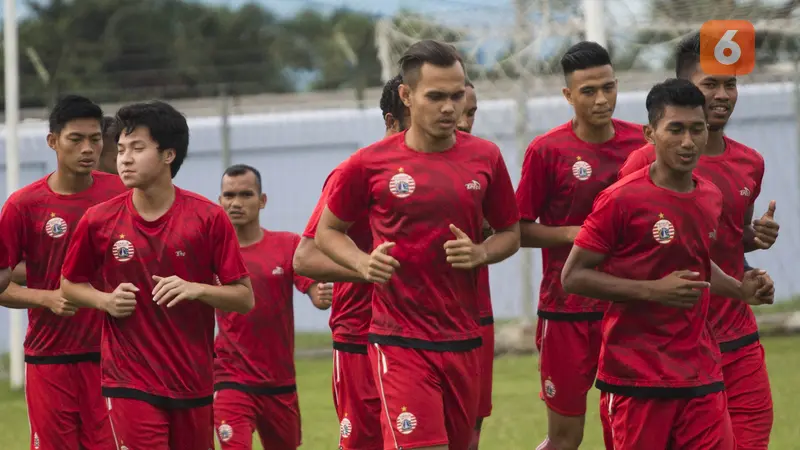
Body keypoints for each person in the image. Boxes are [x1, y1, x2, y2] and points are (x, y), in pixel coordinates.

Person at [315, 39, 521, 450]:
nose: (450, 107)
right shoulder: (367, 164)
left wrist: (482, 253)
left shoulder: (486, 157)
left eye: (457, 95)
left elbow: (511, 233)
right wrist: (361, 264)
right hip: (399, 341)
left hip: (464, 340)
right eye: (436, 96)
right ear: (407, 97)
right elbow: (326, 232)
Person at [561, 78, 774, 450]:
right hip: (636, 377)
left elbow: (699, 265)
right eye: (675, 129)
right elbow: (573, 276)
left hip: (699, 373)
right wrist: (652, 291)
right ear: (650, 133)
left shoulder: (708, 196)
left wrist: (742, 288)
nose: (688, 142)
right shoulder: (620, 199)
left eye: (697, 129)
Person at [60, 100, 254, 450]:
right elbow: (70, 284)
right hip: (128, 381)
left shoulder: (207, 218)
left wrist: (197, 289)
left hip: (192, 381)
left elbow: (243, 297)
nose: (125, 158)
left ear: (168, 155)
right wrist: (105, 301)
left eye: (137, 148)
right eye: (120, 149)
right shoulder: (98, 220)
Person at [617, 32, 778, 449]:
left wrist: (752, 239)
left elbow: (717, 242)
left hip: (737, 339)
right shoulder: (643, 163)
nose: (723, 95)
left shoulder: (750, 164)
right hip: (671, 349)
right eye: (710, 84)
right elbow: (630, 248)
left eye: (731, 84)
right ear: (687, 88)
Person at [514, 41, 647, 450]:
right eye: (588, 91)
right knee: (565, 439)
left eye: (608, 87)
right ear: (568, 96)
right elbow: (516, 229)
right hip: (565, 311)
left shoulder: (642, 144)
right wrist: (575, 234)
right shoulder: (546, 150)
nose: (601, 99)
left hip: (625, 311)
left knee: (626, 433)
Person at [292, 74, 410, 450]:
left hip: (426, 336)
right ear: (392, 121)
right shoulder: (357, 172)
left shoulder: (454, 171)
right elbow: (306, 256)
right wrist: (364, 267)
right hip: (361, 334)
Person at [0, 95, 125, 450]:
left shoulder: (120, 195)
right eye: (76, 139)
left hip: (111, 358)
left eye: (95, 139)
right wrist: (46, 297)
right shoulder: (23, 206)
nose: (88, 148)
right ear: (53, 141)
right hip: (49, 358)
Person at [214, 164, 332, 450]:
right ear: (220, 201)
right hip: (230, 379)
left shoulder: (287, 245)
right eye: (229, 195)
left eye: (246, 194)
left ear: (262, 200)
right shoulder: (211, 252)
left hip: (279, 383)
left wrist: (323, 292)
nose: (236, 203)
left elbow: (316, 292)